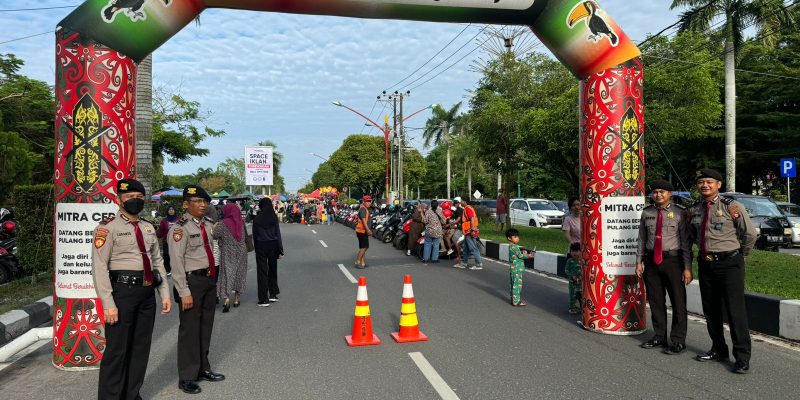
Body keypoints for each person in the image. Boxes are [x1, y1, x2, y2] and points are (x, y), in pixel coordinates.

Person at [92, 179, 171, 400]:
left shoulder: (147, 227)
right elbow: (99, 267)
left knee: (140, 348)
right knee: (117, 351)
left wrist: (164, 293)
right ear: (119, 199)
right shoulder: (107, 228)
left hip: (146, 293)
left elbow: (157, 262)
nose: (134, 201)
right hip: (122, 293)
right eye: (129, 197)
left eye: (139, 197)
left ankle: (132, 394)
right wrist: (108, 304)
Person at [688, 168, 756, 374]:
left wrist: (740, 255)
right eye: (701, 182)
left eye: (709, 182)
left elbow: (749, 234)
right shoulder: (695, 210)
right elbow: (691, 236)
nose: (705, 185)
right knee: (711, 310)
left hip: (730, 265)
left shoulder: (731, 206)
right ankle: (718, 349)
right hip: (706, 264)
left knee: (735, 311)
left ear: (718, 185)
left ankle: (742, 357)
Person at [168, 185, 225, 394]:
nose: (202, 205)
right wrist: (183, 291)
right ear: (186, 204)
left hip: (208, 280)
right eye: (197, 201)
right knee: (190, 330)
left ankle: (202, 368)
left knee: (205, 326)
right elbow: (176, 263)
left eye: (205, 201)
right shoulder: (179, 229)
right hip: (191, 282)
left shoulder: (208, 224)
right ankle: (187, 376)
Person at [636, 179, 693, 354]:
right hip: (651, 261)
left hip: (673, 262)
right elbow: (642, 239)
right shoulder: (647, 212)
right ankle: (659, 336)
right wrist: (638, 261)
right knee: (655, 301)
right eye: (655, 192)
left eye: (662, 192)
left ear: (670, 194)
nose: (658, 195)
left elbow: (686, 243)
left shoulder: (680, 213)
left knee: (678, 302)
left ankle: (678, 340)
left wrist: (687, 267)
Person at [214, 203, 248, 313]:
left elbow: (214, 235)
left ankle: (227, 299)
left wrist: (215, 226)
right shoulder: (241, 222)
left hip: (227, 252)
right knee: (239, 274)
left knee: (227, 274)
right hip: (241, 252)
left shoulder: (222, 224)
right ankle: (237, 299)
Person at [253, 197, 283, 306]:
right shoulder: (274, 217)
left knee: (262, 271)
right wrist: (280, 249)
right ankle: (273, 294)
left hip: (261, 245)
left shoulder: (257, 218)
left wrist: (256, 248)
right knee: (273, 269)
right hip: (273, 245)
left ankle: (263, 299)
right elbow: (277, 233)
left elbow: (255, 235)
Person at [506, 228, 534, 306]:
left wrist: (523, 253)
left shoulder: (512, 246)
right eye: (515, 237)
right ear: (509, 238)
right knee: (517, 285)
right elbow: (520, 256)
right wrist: (528, 255)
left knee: (513, 285)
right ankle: (516, 301)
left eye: (517, 236)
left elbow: (518, 254)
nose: (517, 238)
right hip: (517, 269)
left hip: (514, 268)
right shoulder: (514, 246)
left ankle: (513, 299)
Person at [459, 198, 483, 270]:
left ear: (465, 201)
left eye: (461, 201)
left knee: (473, 248)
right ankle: (464, 263)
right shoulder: (467, 208)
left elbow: (472, 218)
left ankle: (479, 264)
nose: (460, 203)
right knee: (466, 249)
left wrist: (472, 229)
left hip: (470, 232)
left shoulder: (467, 209)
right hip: (468, 232)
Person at [157, 204, 180, 274]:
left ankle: (176, 269)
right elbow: (161, 231)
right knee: (166, 255)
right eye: (170, 209)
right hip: (166, 242)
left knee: (176, 256)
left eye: (172, 209)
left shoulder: (179, 219)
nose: (171, 211)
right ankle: (167, 270)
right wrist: (157, 236)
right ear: (167, 211)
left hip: (177, 242)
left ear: (175, 211)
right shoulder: (164, 221)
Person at [354, 196, 373, 268]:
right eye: (367, 201)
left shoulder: (365, 209)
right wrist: (368, 230)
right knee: (365, 247)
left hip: (361, 231)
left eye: (369, 201)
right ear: (363, 202)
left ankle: (363, 263)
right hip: (362, 231)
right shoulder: (363, 209)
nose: (369, 203)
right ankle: (358, 261)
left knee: (363, 247)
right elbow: (364, 221)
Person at [565, 242, 583, 314]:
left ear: (581, 251)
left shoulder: (582, 260)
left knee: (581, 296)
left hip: (581, 283)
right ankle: (572, 308)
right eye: (572, 251)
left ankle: (582, 308)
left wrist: (582, 276)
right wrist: (572, 276)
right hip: (572, 283)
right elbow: (566, 270)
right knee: (573, 295)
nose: (574, 253)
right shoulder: (569, 261)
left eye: (577, 251)